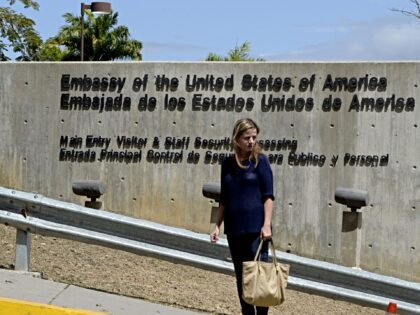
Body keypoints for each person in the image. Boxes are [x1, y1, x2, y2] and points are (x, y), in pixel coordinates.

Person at [210, 118, 275, 315]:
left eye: (254, 137)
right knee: (242, 277)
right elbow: (224, 199)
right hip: (235, 229)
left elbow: (268, 196)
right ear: (236, 139)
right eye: (247, 137)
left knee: (259, 277)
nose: (251, 141)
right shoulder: (227, 164)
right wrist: (216, 225)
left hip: (257, 230)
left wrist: (267, 225)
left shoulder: (260, 161)